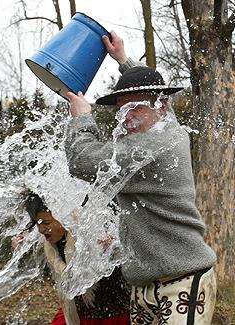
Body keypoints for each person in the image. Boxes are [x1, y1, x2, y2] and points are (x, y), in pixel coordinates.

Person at [64, 31, 217, 325]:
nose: (128, 117)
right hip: (143, 285)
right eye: (122, 109)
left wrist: (82, 118)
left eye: (136, 108)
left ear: (159, 106)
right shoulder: (165, 127)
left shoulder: (152, 147)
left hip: (182, 282)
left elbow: (81, 161)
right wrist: (123, 60)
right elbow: (153, 97)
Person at [12, 193, 131, 325]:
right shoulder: (49, 243)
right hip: (75, 314)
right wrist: (22, 246)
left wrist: (113, 245)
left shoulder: (89, 234)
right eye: (37, 224)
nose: (41, 230)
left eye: (46, 223)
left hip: (113, 316)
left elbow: (125, 247)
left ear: (63, 218)